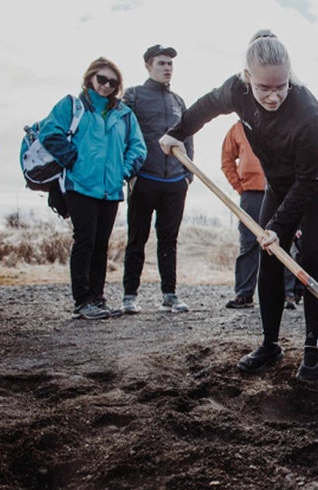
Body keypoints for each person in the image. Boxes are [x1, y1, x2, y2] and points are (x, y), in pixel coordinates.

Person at [159, 30, 318, 381]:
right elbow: (205, 107)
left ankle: (313, 351)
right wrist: (177, 132)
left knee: (313, 257)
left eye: (281, 87)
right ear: (248, 79)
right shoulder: (236, 90)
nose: (274, 96)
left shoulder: (307, 113)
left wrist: (276, 227)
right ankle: (270, 344)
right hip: (278, 184)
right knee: (269, 258)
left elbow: (309, 181)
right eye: (265, 89)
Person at [38, 57, 146, 319]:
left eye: (113, 81)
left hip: (111, 188)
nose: (107, 85)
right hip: (80, 185)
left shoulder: (124, 113)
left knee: (101, 243)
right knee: (84, 240)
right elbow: (49, 132)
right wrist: (73, 160)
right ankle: (82, 301)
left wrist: (124, 170)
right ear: (90, 78)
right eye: (102, 79)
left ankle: (97, 299)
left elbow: (138, 146)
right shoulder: (72, 105)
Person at [121, 44, 193, 315]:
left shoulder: (178, 101)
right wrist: (131, 172)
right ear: (148, 66)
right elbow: (123, 134)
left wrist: (187, 174)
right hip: (144, 178)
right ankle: (129, 296)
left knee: (169, 240)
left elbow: (187, 137)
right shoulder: (134, 96)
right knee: (136, 238)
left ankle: (170, 295)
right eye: (162, 63)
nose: (167, 68)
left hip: (175, 181)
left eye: (170, 64)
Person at [221, 121, 301, 310]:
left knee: (283, 241)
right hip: (251, 193)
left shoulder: (285, 123)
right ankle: (244, 294)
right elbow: (226, 161)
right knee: (249, 242)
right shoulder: (238, 128)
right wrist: (240, 187)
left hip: (281, 192)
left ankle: (288, 294)